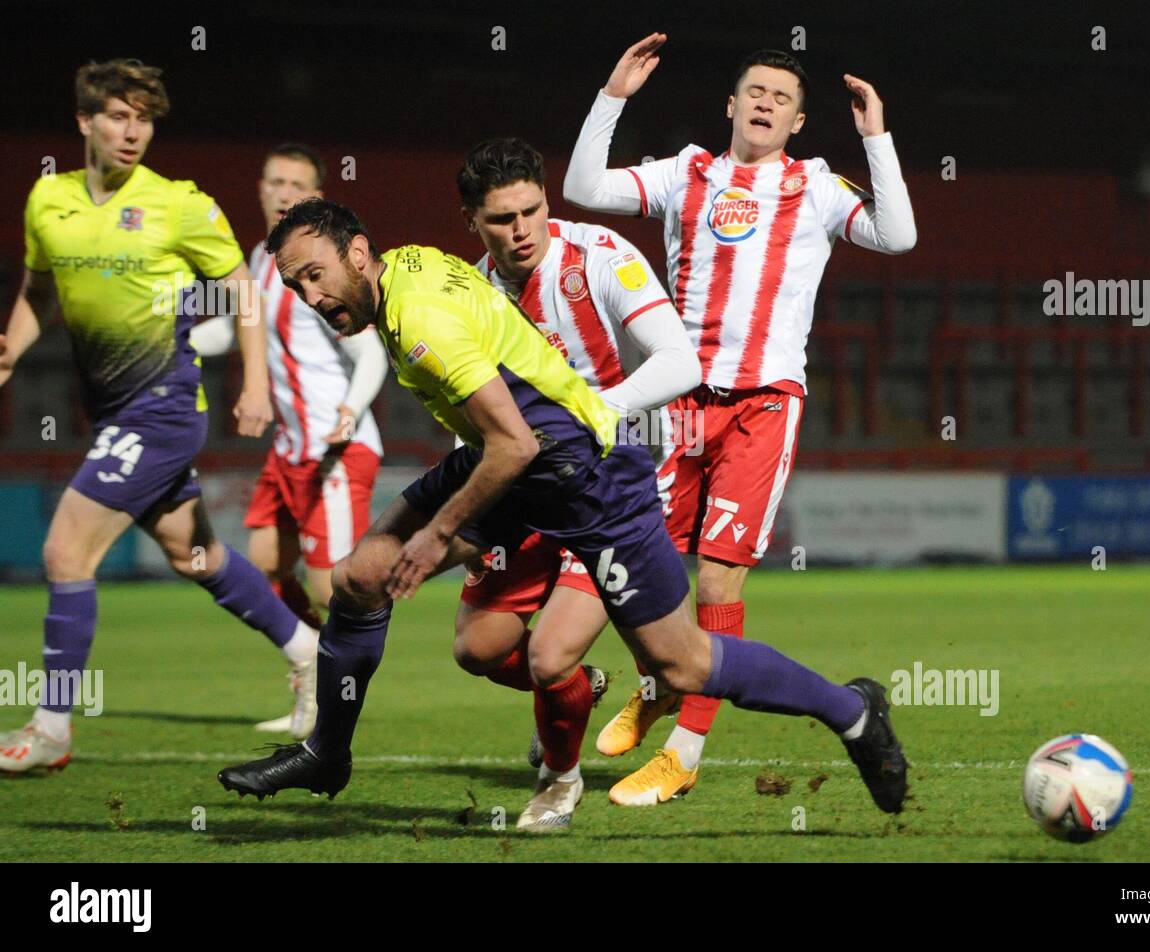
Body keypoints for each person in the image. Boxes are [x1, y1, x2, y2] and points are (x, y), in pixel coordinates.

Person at [215, 198, 908, 820]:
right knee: (361, 577)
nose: (310, 295)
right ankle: (327, 754)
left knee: (681, 666)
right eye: (297, 283)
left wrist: (439, 535)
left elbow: (513, 443)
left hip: (583, 474)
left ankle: (852, 711)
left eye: (316, 274)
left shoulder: (418, 318)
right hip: (516, 456)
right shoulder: (407, 267)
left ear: (358, 253)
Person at [563, 36, 917, 802]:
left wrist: (876, 139)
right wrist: (613, 96)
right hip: (679, 400)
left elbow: (899, 236)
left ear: (796, 123)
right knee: (640, 562)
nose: (765, 103)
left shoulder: (817, 187)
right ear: (731, 105)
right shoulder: (684, 173)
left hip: (762, 402)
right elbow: (583, 185)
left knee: (719, 573)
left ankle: (683, 757)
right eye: (754, 91)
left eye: (781, 98)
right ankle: (662, 681)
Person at [0, 59, 318, 773]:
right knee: (196, 555)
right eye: (118, 115)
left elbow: (241, 290)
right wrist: (11, 352)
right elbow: (37, 289)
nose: (132, 130)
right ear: (85, 121)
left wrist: (255, 384)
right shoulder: (47, 201)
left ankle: (51, 729)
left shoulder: (179, 204)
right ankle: (311, 654)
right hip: (111, 413)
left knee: (63, 553)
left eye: (144, 118)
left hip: (163, 410)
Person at [450, 137, 699, 827]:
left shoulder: (598, 257)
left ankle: (559, 782)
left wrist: (599, 412)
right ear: (471, 219)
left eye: (532, 210)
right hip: (524, 494)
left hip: (605, 493)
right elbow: (467, 412)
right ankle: (583, 691)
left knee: (553, 654)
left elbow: (680, 360)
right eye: (502, 219)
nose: (521, 228)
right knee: (477, 649)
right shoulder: (466, 297)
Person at [190, 143, 387, 738]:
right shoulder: (261, 258)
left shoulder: (319, 267)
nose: (282, 192)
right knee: (267, 566)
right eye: (274, 180)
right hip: (289, 448)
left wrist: (349, 412)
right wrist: (171, 342)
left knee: (334, 589)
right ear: (259, 188)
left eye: (297, 185)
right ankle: (309, 668)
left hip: (334, 446)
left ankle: (336, 699)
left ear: (318, 198)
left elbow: (369, 348)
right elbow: (235, 329)